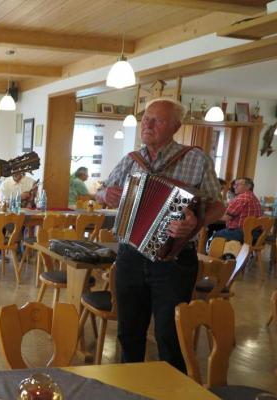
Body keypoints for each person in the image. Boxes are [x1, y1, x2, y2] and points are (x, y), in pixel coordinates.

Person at [96, 98, 225, 373]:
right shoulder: (132, 160)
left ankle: (171, 399)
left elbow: (217, 206)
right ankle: (128, 387)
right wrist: (104, 194)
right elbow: (101, 192)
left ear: (176, 126)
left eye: (157, 120)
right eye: (145, 119)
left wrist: (195, 222)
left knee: (170, 334)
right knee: (129, 330)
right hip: (130, 254)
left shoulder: (195, 159)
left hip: (174, 261)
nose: (148, 124)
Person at [213, 177, 263, 243]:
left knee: (216, 235)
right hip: (256, 234)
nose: (235, 187)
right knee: (221, 228)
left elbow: (226, 217)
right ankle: (230, 252)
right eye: (235, 184)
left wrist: (211, 216)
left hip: (243, 234)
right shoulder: (254, 197)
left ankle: (212, 252)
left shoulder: (241, 198)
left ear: (248, 186)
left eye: (238, 184)